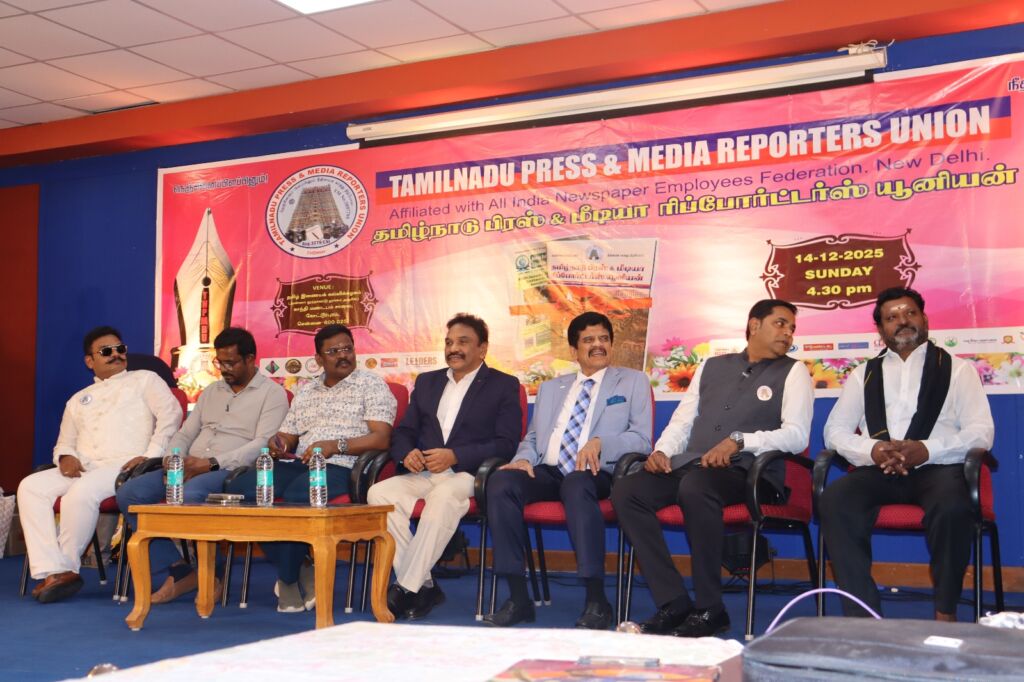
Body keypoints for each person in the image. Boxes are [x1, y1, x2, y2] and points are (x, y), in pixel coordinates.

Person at [612, 300, 813, 637]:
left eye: (792, 328)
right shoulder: (712, 366)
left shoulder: (794, 372)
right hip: (693, 466)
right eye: (780, 323)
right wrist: (663, 450)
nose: (788, 333)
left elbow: (797, 435)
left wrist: (741, 441)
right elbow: (683, 421)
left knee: (697, 486)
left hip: (752, 475)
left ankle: (710, 608)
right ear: (754, 325)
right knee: (628, 491)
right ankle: (673, 601)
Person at [820, 287, 994, 621]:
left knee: (953, 507)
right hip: (879, 469)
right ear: (881, 328)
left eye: (910, 313)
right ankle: (863, 616)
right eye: (892, 317)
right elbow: (835, 431)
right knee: (836, 499)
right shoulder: (863, 373)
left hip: (938, 469)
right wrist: (873, 449)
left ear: (924, 319)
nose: (902, 321)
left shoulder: (959, 370)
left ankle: (946, 611)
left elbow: (981, 431)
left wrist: (926, 450)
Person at [484, 312, 652, 629]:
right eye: (589, 340)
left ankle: (596, 600)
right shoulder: (551, 388)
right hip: (550, 471)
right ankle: (518, 598)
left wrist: (601, 442)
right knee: (502, 481)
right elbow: (533, 438)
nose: (598, 345)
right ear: (574, 350)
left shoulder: (632, 381)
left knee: (576, 484)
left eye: (604, 338)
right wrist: (523, 459)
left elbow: (642, 439)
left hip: (599, 472)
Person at [225, 323, 396, 612]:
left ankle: (287, 580)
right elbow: (289, 435)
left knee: (298, 495)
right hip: (301, 463)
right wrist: (278, 442)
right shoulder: (306, 391)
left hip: (345, 466)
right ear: (318, 359)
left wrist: (335, 445)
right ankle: (299, 568)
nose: (343, 355)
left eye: (347, 349)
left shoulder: (371, 384)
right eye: (333, 351)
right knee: (242, 490)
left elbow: (381, 439)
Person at [116, 327, 289, 604]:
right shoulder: (211, 391)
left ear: (250, 359)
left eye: (231, 363)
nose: (225, 369)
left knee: (191, 495)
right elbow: (185, 434)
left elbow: (262, 445)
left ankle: (213, 573)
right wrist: (173, 460)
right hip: (188, 464)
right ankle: (180, 569)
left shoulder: (272, 394)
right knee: (130, 493)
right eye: (220, 363)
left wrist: (210, 464)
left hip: (232, 470)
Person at [367, 313, 522, 620]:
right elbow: (405, 432)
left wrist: (456, 456)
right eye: (449, 342)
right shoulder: (427, 382)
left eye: (463, 342)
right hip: (424, 471)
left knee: (444, 496)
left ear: (482, 349)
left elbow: (506, 444)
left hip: (470, 474)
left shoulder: (503, 385)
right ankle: (424, 584)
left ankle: (405, 588)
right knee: (379, 495)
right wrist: (406, 454)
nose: (454, 349)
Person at [18, 326, 181, 603]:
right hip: (84, 466)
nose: (116, 354)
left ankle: (66, 569)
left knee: (80, 493)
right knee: (29, 487)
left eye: (120, 349)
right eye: (106, 351)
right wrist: (65, 457)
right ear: (89, 361)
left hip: (126, 466)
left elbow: (171, 416)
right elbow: (64, 442)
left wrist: (151, 455)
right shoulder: (78, 399)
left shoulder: (145, 380)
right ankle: (52, 569)